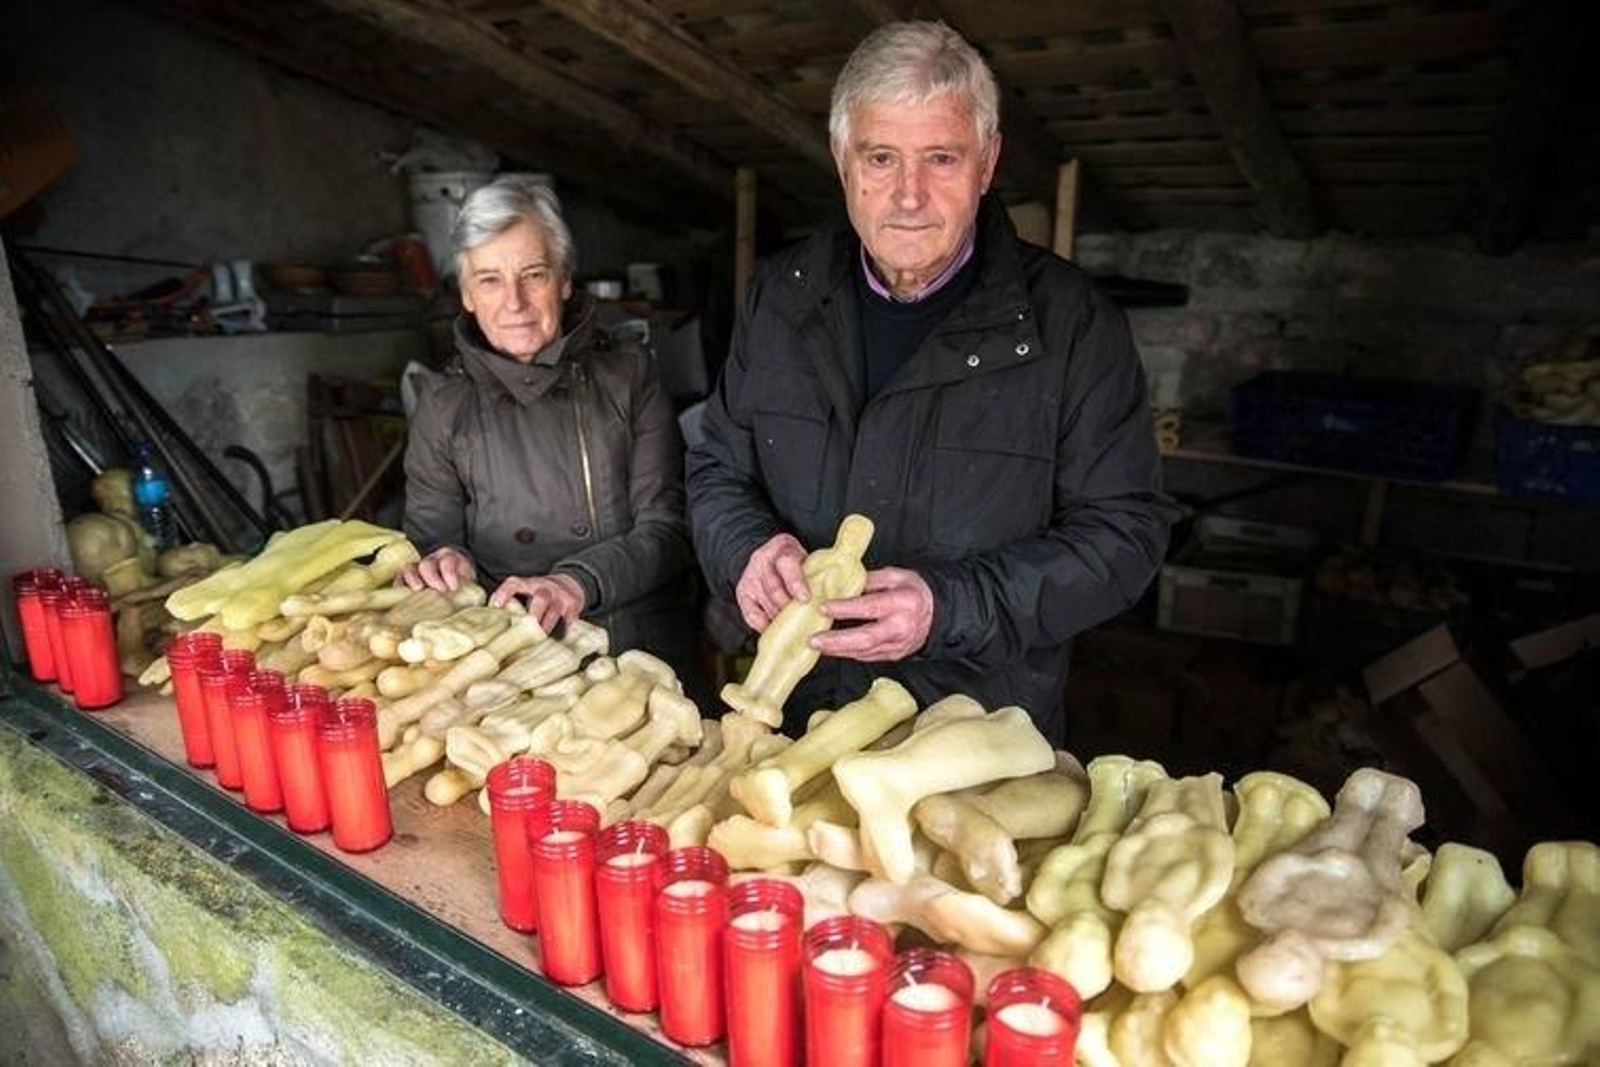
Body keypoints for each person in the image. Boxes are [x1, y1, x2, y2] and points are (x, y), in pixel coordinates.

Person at [686, 21, 1176, 743]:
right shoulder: (781, 298)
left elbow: (1125, 535)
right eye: (880, 157)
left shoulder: (1071, 325)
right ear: (841, 158)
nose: (908, 195)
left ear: (988, 163)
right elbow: (716, 469)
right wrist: (745, 553)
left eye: (941, 158)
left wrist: (951, 608)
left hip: (972, 741)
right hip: (797, 723)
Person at [400, 176, 700, 688]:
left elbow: (668, 530)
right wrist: (442, 563)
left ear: (563, 280)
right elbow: (432, 539)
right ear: (467, 294)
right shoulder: (442, 404)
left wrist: (575, 582)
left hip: (635, 651)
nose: (513, 302)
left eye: (532, 275)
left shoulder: (628, 376)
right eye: (490, 280)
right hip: (518, 659)